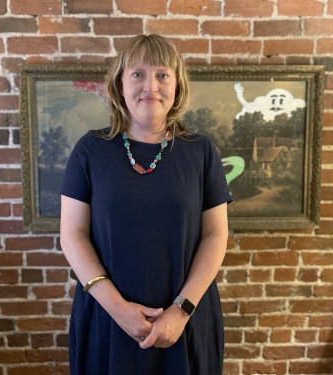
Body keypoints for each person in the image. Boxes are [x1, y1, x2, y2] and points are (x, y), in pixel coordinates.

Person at [60, 34, 232, 375]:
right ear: (119, 84)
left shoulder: (201, 151)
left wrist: (180, 311)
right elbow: (72, 235)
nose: (149, 85)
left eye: (162, 75)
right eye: (137, 74)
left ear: (177, 86)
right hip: (106, 319)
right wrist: (119, 309)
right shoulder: (90, 150)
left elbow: (215, 236)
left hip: (186, 322)